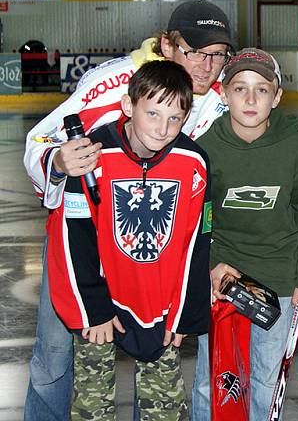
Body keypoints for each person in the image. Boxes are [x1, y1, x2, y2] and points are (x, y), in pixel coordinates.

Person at [22, 0, 298, 421]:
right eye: (194, 51)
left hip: (155, 258)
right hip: (83, 244)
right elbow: (39, 140)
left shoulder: (221, 95)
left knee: (159, 359)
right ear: (166, 44)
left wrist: (295, 138)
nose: (205, 64)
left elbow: (265, 120)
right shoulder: (113, 84)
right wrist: (57, 161)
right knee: (57, 356)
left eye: (217, 54)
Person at [46, 60, 211, 420]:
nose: (162, 128)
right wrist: (93, 308)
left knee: (164, 407)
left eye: (174, 118)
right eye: (152, 113)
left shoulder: (193, 162)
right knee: (92, 406)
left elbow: (196, 244)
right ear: (127, 106)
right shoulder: (92, 156)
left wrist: (183, 315)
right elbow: (75, 238)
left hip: (162, 307)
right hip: (101, 305)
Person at [191, 48, 298, 420]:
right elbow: (200, 222)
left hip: (280, 279)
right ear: (223, 93)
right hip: (224, 281)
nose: (250, 100)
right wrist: (214, 263)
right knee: (212, 378)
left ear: (277, 96)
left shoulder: (293, 145)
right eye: (240, 89)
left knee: (267, 381)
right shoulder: (205, 150)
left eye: (262, 90)